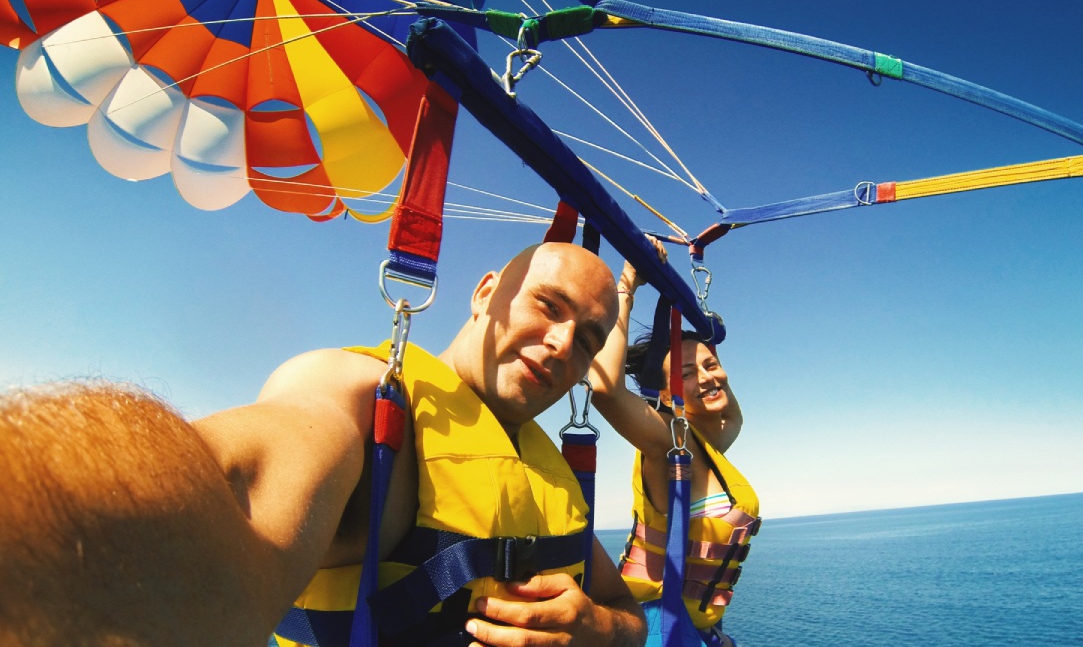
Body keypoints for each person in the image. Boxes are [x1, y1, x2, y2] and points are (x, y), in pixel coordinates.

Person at [0, 242, 646, 647]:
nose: (564, 345)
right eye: (548, 306)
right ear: (485, 295)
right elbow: (231, 481)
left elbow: (628, 615)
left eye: (589, 337)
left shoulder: (549, 469)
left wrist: (597, 629)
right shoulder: (364, 397)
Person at [588, 241, 759, 647]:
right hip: (652, 628)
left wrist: (692, 316)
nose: (706, 378)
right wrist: (629, 281)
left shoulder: (712, 440)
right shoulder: (668, 442)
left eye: (710, 364)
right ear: (667, 397)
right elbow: (605, 389)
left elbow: (732, 413)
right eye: (688, 374)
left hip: (691, 630)